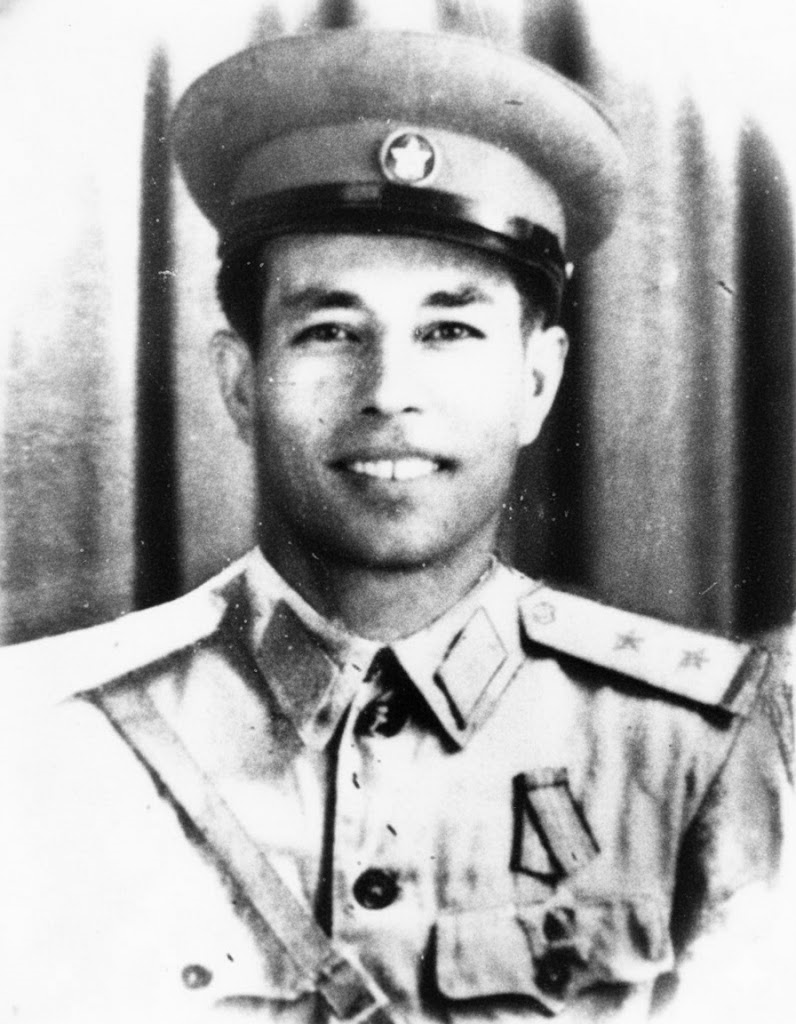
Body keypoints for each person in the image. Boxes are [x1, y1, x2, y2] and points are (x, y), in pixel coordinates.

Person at [0, 27, 789, 1024]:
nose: (389, 391)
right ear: (240, 383)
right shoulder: (41, 739)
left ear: (537, 381)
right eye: (330, 330)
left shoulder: (698, 746)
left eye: (449, 329)